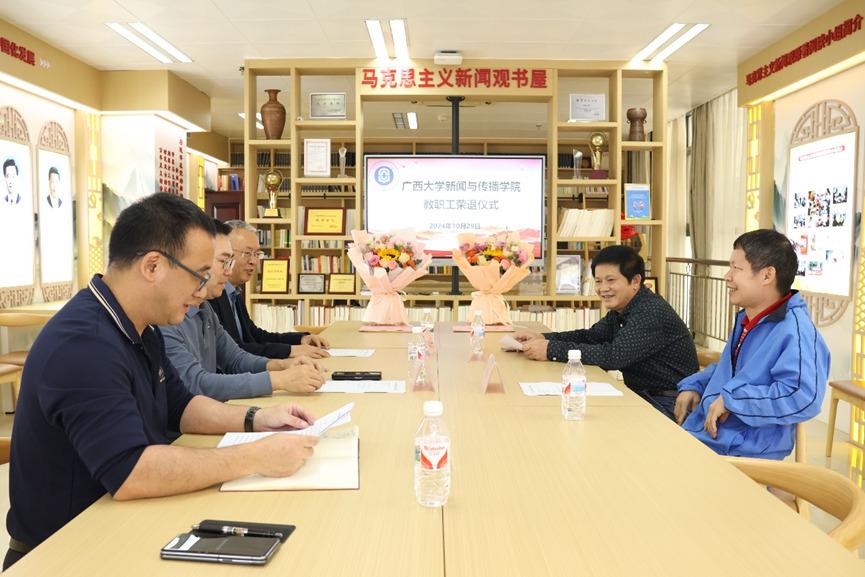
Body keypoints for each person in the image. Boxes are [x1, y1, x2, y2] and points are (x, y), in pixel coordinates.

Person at [5, 193, 319, 569]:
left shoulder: (142, 326)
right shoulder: (84, 343)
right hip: (67, 553)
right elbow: (131, 472)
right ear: (153, 266)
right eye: (198, 275)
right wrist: (254, 456)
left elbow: (180, 405)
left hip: (118, 527)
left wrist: (257, 419)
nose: (202, 291)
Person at [675, 229, 829, 459]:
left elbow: (803, 397)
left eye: (736, 268)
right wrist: (695, 384)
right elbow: (733, 372)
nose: (727, 276)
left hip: (744, 453)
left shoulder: (795, 331)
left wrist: (734, 401)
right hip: (709, 438)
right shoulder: (749, 319)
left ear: (767, 275)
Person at [514, 245, 698, 420]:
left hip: (669, 402)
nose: (603, 288)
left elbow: (614, 356)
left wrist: (550, 349)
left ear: (635, 281)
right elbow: (591, 336)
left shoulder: (650, 311)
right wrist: (543, 338)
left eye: (611, 280)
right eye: (598, 281)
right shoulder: (624, 310)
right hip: (643, 395)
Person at [161, 219, 327, 402]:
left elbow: (236, 358)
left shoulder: (205, 308)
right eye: (224, 262)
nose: (228, 271)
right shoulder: (165, 319)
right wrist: (279, 379)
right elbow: (197, 384)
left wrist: (284, 365)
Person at [206, 219, 329, 359]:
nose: (253, 261)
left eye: (257, 254)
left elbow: (255, 336)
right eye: (247, 253)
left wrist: (300, 339)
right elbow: (233, 351)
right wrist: (289, 351)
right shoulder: (211, 295)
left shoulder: (234, 293)